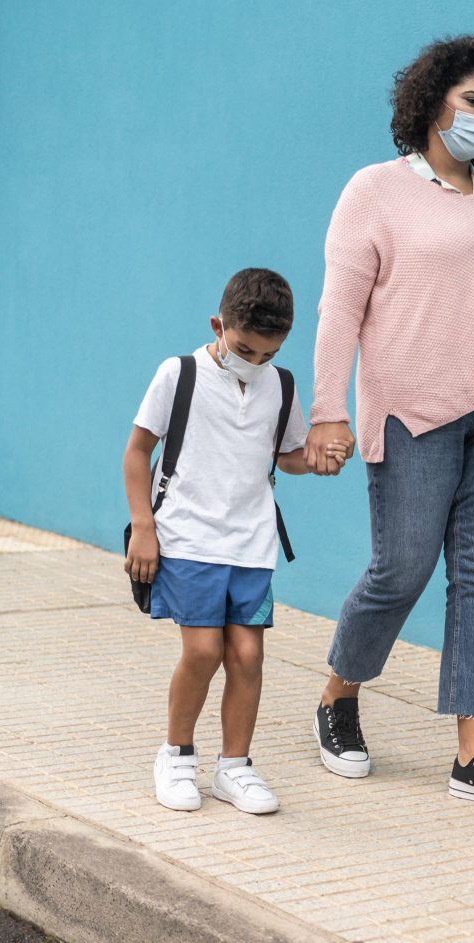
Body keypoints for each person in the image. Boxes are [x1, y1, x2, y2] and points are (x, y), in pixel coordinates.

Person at [305, 33, 474, 817]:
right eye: (471, 100)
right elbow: (339, 311)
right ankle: (338, 693)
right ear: (431, 103)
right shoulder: (374, 191)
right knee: (402, 570)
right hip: (415, 411)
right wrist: (327, 411)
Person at [124, 268, 351, 814]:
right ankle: (176, 756)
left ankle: (234, 768)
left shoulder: (281, 385)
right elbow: (137, 452)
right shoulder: (179, 374)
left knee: (248, 656)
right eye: (245, 349)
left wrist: (317, 460)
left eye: (268, 354)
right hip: (186, 537)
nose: (254, 362)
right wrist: (144, 528)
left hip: (251, 542)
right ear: (218, 325)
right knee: (203, 651)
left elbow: (286, 456)